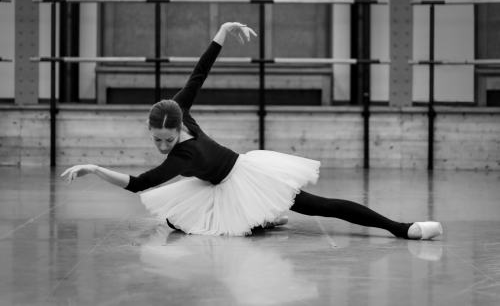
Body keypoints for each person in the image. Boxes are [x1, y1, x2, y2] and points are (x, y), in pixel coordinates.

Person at [61, 22, 443, 240]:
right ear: (151, 129)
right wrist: (95, 169)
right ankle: (262, 219)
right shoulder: (176, 150)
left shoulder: (182, 122)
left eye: (168, 139)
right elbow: (139, 183)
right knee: (179, 222)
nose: (163, 146)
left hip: (246, 176)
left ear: (179, 126)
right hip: (215, 187)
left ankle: (401, 228)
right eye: (156, 140)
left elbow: (200, 71)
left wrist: (223, 31)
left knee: (319, 206)